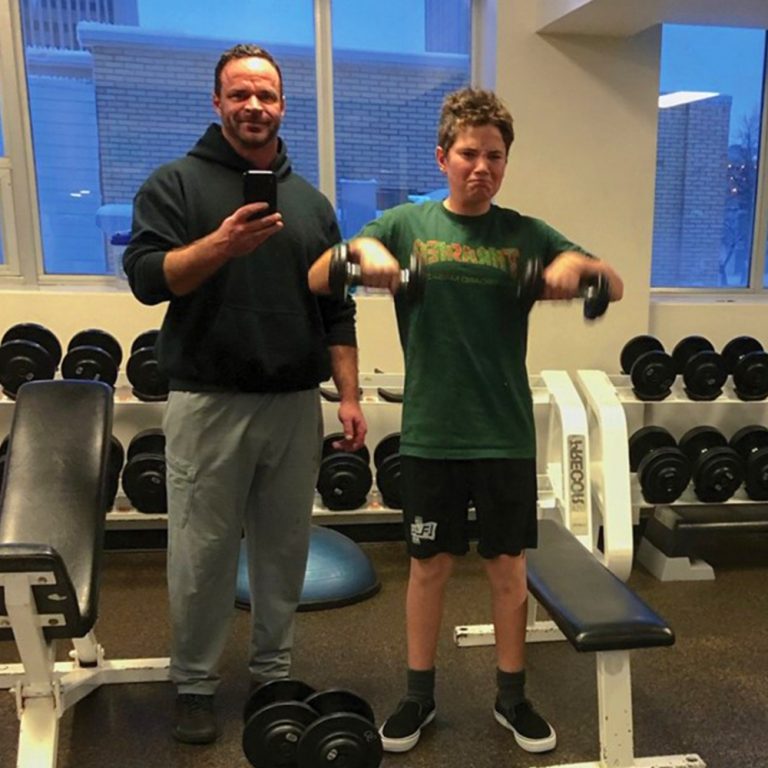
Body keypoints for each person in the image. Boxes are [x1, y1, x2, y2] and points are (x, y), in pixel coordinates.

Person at [308, 87, 623, 755]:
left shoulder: (523, 233)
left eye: (495, 156)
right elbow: (317, 276)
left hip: (504, 433)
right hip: (432, 432)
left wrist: (573, 271)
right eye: (469, 154)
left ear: (506, 162)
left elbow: (606, 278)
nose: (482, 167)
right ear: (443, 157)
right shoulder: (407, 224)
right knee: (429, 567)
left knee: (508, 567)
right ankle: (418, 696)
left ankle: (513, 697)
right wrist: (366, 258)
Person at [123, 43, 366, 745]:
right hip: (209, 401)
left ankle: (272, 673)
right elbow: (147, 279)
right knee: (200, 554)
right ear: (217, 102)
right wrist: (221, 246)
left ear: (282, 105)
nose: (254, 105)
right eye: (240, 94)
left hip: (294, 403)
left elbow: (337, 311)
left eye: (266, 94)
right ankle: (195, 683)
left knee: (283, 551)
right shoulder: (174, 184)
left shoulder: (311, 204)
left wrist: (349, 397)